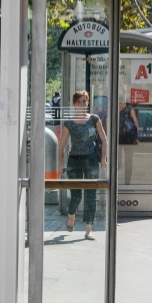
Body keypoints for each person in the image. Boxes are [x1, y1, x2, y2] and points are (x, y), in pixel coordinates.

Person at [58, 90, 108, 240]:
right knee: (76, 196)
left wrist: (103, 159)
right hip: (74, 161)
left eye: (85, 101)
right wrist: (60, 164)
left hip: (91, 160)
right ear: (74, 104)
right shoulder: (69, 123)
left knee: (91, 195)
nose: (82, 104)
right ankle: (71, 216)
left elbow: (104, 140)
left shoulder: (94, 119)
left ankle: (88, 230)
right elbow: (61, 145)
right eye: (79, 102)